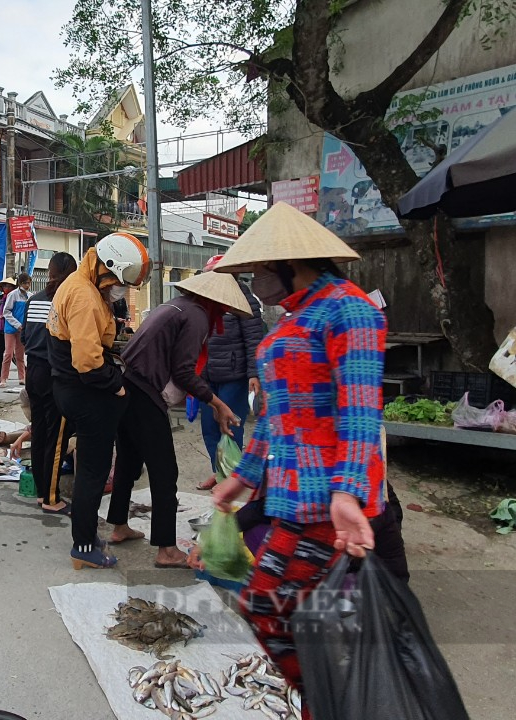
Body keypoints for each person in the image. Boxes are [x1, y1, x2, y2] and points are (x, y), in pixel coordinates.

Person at [210, 202, 387, 693]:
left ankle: (329, 700)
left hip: (328, 504)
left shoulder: (349, 311)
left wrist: (348, 493)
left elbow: (361, 411)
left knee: (277, 610)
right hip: (291, 500)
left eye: (260, 269)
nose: (254, 281)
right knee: (266, 608)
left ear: (290, 265)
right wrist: (242, 478)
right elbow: (272, 417)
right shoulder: (289, 322)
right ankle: (322, 699)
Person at [105, 270, 251, 569]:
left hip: (127, 386)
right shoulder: (196, 315)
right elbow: (183, 372)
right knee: (164, 473)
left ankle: (119, 525)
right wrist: (216, 402)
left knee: (128, 463)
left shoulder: (173, 306)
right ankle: (167, 549)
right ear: (216, 302)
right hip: (145, 393)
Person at [48, 231, 150, 570]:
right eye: (121, 282)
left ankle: (87, 535)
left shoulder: (82, 285)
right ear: (107, 268)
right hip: (85, 393)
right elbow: (88, 363)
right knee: (92, 472)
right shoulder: (84, 296)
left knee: (90, 469)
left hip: (71, 388)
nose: (120, 290)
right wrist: (116, 386)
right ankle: (84, 546)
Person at [197, 254, 267, 490]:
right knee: (208, 426)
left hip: (235, 376)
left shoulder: (244, 299)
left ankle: (232, 478)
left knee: (229, 427)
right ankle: (218, 473)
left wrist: (254, 374)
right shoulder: (205, 300)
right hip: (208, 376)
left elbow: (254, 339)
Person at [22, 252, 77, 513]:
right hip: (53, 373)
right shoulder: (66, 299)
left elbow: (25, 336)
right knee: (56, 438)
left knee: (40, 432)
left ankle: (41, 490)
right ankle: (51, 498)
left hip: (32, 372)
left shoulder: (33, 300)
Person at [0, 272, 31, 388]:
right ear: (20, 284)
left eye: (28, 283)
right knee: (8, 354)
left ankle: (22, 377)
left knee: (20, 355)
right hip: (11, 328)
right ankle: (3, 378)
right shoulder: (13, 295)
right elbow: (6, 312)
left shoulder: (30, 296)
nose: (27, 286)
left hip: (22, 328)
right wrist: (17, 324)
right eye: (25, 283)